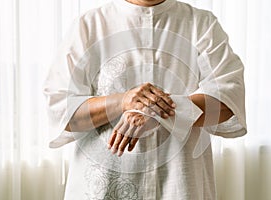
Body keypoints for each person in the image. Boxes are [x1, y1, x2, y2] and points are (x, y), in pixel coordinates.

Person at [43, 0, 247, 199]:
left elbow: (228, 99)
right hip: (102, 187)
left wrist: (154, 112)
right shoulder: (89, 25)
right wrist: (123, 101)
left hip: (180, 185)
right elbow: (62, 108)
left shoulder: (201, 24)